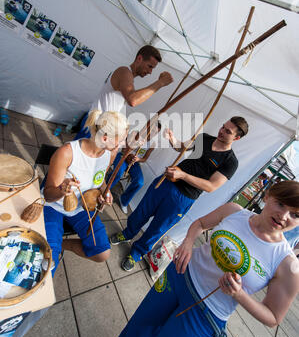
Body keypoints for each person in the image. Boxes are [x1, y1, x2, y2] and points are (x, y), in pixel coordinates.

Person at [102, 180, 299, 337]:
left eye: (295, 214)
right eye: (280, 203)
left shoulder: (288, 265)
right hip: (179, 276)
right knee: (137, 330)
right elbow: (200, 224)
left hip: (206, 314)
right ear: (267, 196)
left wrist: (239, 295)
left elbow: (273, 317)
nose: (283, 216)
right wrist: (188, 243)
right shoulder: (234, 211)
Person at [110, 116, 249, 271]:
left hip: (183, 198)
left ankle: (137, 253)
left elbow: (211, 186)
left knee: (158, 228)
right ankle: (127, 233)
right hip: (165, 181)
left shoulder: (230, 161)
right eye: (223, 126)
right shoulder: (204, 138)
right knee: (142, 211)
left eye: (227, 131)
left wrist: (183, 176)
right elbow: (181, 147)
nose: (221, 131)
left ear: (236, 138)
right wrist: (172, 138)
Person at [43, 110, 129, 274]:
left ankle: (59, 244)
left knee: (102, 253)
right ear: (104, 138)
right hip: (54, 206)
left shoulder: (108, 154)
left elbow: (100, 179)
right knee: (47, 263)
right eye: (120, 141)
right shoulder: (67, 152)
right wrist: (62, 190)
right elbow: (48, 195)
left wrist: (105, 192)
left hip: (80, 208)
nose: (122, 146)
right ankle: (53, 246)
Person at [74, 45, 173, 140]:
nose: (150, 71)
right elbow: (133, 100)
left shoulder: (128, 77)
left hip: (102, 128)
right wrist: (160, 83)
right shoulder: (124, 71)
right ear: (139, 59)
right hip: (95, 128)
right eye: (149, 66)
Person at [106, 121, 162, 214]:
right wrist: (135, 145)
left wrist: (138, 159)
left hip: (134, 162)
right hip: (124, 156)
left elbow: (144, 159)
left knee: (139, 182)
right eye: (152, 131)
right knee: (118, 172)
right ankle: (105, 190)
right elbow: (124, 148)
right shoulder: (135, 133)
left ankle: (123, 200)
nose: (153, 134)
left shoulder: (152, 144)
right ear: (148, 128)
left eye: (156, 132)